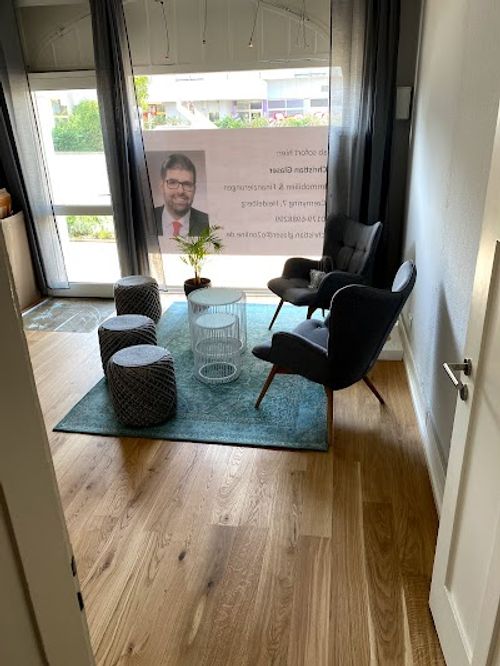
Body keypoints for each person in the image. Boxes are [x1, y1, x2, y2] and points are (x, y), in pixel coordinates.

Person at [154, 153, 209, 238]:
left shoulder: (208, 223)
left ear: (194, 189)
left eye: (187, 184)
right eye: (173, 183)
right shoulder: (145, 219)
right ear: (162, 187)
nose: (180, 191)